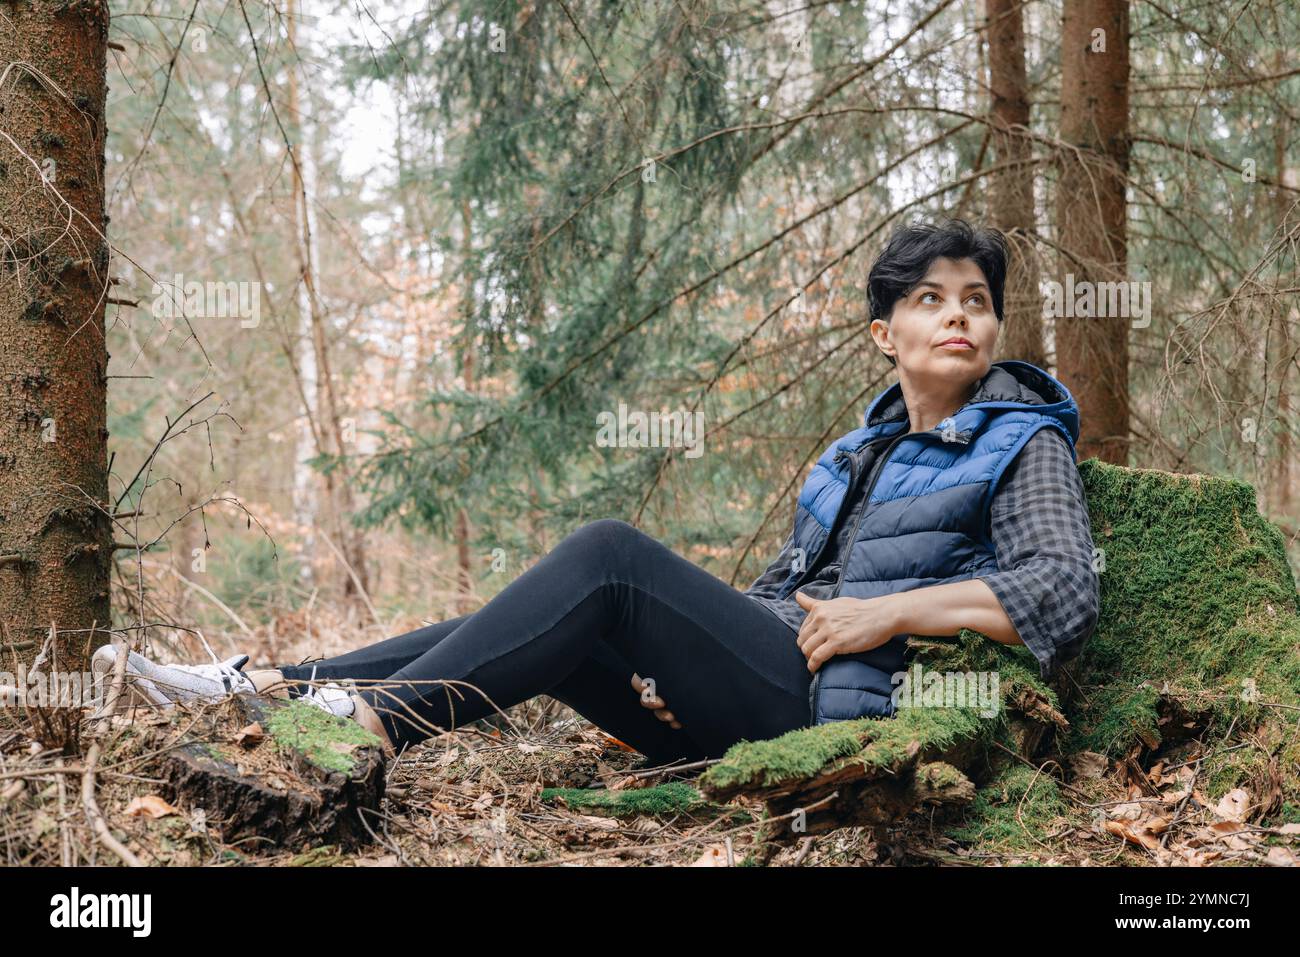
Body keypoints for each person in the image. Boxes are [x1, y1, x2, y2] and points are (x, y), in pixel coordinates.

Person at [91, 219, 1100, 766]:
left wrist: (886, 613)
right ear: (884, 335)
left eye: (976, 301)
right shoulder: (853, 455)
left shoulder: (1020, 439)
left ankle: (371, 728)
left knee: (609, 557)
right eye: (930, 299)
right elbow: (785, 591)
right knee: (520, 618)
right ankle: (261, 687)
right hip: (765, 695)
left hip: (853, 726)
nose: (958, 317)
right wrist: (676, 657)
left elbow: (1060, 590)